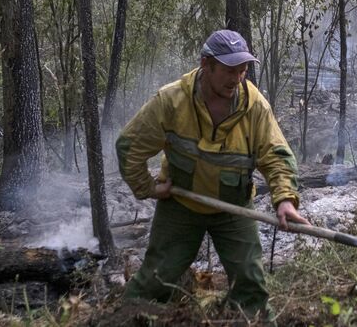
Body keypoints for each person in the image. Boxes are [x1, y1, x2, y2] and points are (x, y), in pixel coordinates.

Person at [116, 29, 310, 323]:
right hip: (181, 207)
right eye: (230, 70)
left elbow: (277, 156)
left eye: (243, 70)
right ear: (206, 64)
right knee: (154, 282)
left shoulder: (255, 107)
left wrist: (284, 200)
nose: (237, 78)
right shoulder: (171, 101)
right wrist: (148, 188)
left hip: (233, 211)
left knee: (250, 287)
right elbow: (130, 147)